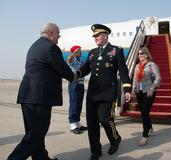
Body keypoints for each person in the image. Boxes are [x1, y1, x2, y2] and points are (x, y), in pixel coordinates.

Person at [7, 23, 77, 160]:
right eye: (58, 34)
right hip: (39, 97)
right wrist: (75, 75)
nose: (59, 38)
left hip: (28, 96)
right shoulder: (51, 47)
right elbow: (63, 69)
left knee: (34, 132)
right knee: (36, 135)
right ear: (51, 33)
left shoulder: (35, 45)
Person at [79, 24, 132, 160]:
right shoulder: (92, 52)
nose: (95, 38)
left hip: (108, 92)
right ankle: (95, 151)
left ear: (105, 35)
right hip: (92, 94)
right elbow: (85, 69)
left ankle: (115, 139)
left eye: (97, 35)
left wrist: (127, 88)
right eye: (94, 36)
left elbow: (123, 71)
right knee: (92, 123)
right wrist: (75, 74)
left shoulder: (116, 50)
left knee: (104, 119)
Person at [131, 46, 161, 146]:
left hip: (149, 91)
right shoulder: (137, 66)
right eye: (138, 54)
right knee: (144, 111)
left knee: (144, 111)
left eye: (141, 54)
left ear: (146, 55)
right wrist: (133, 90)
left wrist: (152, 88)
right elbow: (135, 79)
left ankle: (144, 135)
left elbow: (158, 78)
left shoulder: (152, 65)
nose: (139, 55)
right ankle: (150, 127)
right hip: (139, 92)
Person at [67, 45, 87, 134]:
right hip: (74, 84)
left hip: (81, 84)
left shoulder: (81, 61)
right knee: (74, 104)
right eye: (79, 50)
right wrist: (73, 53)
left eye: (80, 50)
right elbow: (69, 60)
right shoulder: (72, 60)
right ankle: (73, 125)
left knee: (79, 104)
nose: (80, 51)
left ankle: (78, 124)